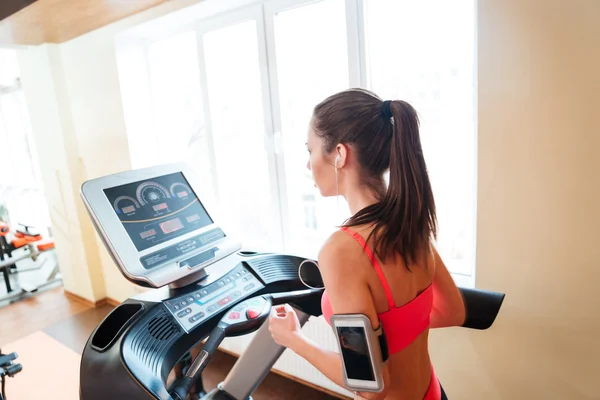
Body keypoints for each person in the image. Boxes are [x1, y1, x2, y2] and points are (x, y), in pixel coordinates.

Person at [268, 88, 466, 400]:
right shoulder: (410, 220)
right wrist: (390, 336)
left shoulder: (342, 251)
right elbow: (454, 311)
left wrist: (293, 339)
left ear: (340, 154)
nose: (308, 165)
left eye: (310, 151)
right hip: (432, 392)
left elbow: (371, 387)